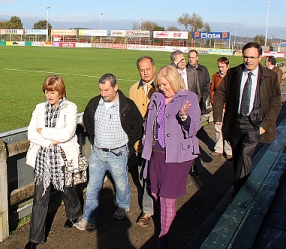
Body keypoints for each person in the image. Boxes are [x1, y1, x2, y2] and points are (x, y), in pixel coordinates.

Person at [141, 65, 201, 248]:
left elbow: (193, 128)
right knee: (155, 192)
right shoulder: (157, 97)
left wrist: (184, 117)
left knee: (167, 198)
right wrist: (145, 134)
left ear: (174, 81)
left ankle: (163, 237)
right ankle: (166, 225)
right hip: (156, 154)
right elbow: (148, 120)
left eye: (165, 84)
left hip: (178, 157)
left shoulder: (189, 98)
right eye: (160, 85)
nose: (162, 88)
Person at [74, 73, 143, 230]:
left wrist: (128, 145)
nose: (103, 94)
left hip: (118, 153)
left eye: (106, 90)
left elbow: (138, 127)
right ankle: (89, 219)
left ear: (115, 87)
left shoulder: (128, 105)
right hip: (97, 153)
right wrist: (94, 137)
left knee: (121, 183)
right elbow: (87, 121)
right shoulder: (94, 103)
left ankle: (123, 205)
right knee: (92, 186)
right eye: (101, 90)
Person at [213, 42, 281, 196]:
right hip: (235, 123)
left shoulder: (270, 76)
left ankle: (240, 194)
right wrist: (217, 116)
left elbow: (276, 101)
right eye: (246, 57)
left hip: (255, 124)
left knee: (245, 156)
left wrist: (265, 125)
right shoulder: (234, 73)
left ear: (260, 57)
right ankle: (239, 187)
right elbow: (220, 94)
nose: (248, 60)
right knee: (238, 157)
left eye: (252, 57)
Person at [25, 76, 82, 249]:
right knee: (40, 198)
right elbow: (31, 134)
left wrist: (44, 131)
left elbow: (67, 134)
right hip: (43, 159)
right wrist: (51, 139)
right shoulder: (39, 108)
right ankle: (35, 238)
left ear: (61, 92)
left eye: (53, 92)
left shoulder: (70, 107)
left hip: (63, 157)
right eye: (47, 92)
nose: (49, 96)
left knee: (68, 191)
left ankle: (74, 214)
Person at [129, 56, 156, 227]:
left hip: (159, 145)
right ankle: (148, 210)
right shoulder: (133, 89)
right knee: (143, 177)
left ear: (154, 67)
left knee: (159, 178)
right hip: (141, 144)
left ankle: (158, 209)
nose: (145, 72)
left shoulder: (162, 86)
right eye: (141, 69)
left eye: (147, 69)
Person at [209, 57, 232, 160]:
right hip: (218, 107)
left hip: (230, 107)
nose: (221, 69)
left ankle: (229, 150)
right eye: (219, 67)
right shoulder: (215, 76)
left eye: (223, 67)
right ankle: (218, 149)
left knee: (228, 129)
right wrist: (213, 102)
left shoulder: (233, 77)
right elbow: (212, 90)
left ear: (228, 66)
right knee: (218, 128)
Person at [187, 49, 210, 113]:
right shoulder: (184, 70)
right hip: (186, 103)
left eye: (193, 57)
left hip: (199, 103)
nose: (191, 59)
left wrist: (203, 98)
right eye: (189, 57)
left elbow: (207, 85)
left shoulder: (203, 70)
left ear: (197, 58)